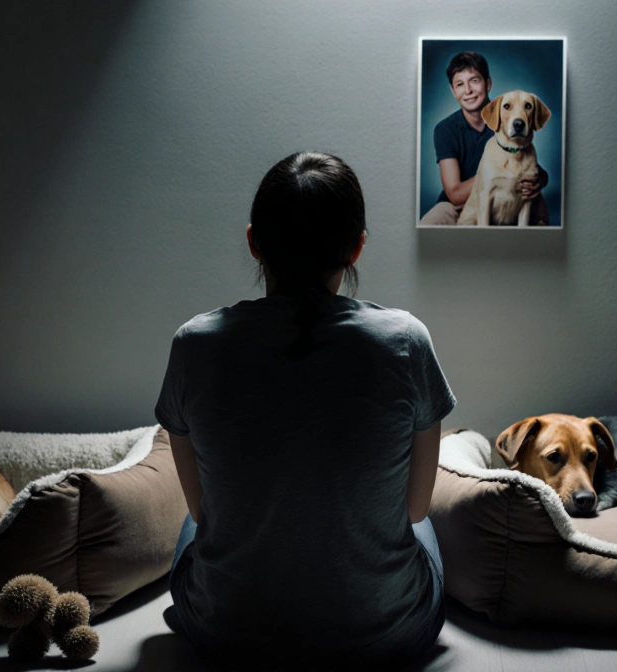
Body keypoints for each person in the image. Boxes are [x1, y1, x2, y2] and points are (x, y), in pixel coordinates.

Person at [156, 152, 456, 666]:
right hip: (385, 635)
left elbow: (203, 511)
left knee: (198, 526)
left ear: (254, 242)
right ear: (357, 248)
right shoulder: (405, 340)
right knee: (418, 526)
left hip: (226, 633)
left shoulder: (194, 345)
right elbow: (414, 509)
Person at [419, 51, 549, 226]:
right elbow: (455, 194)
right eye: (459, 84)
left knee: (539, 208)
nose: (468, 91)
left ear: (488, 83)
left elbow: (528, 166)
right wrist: (497, 176)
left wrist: (539, 179)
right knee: (428, 224)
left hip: (507, 202)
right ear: (452, 91)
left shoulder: (508, 117)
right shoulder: (445, 129)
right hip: (459, 206)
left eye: (474, 80)